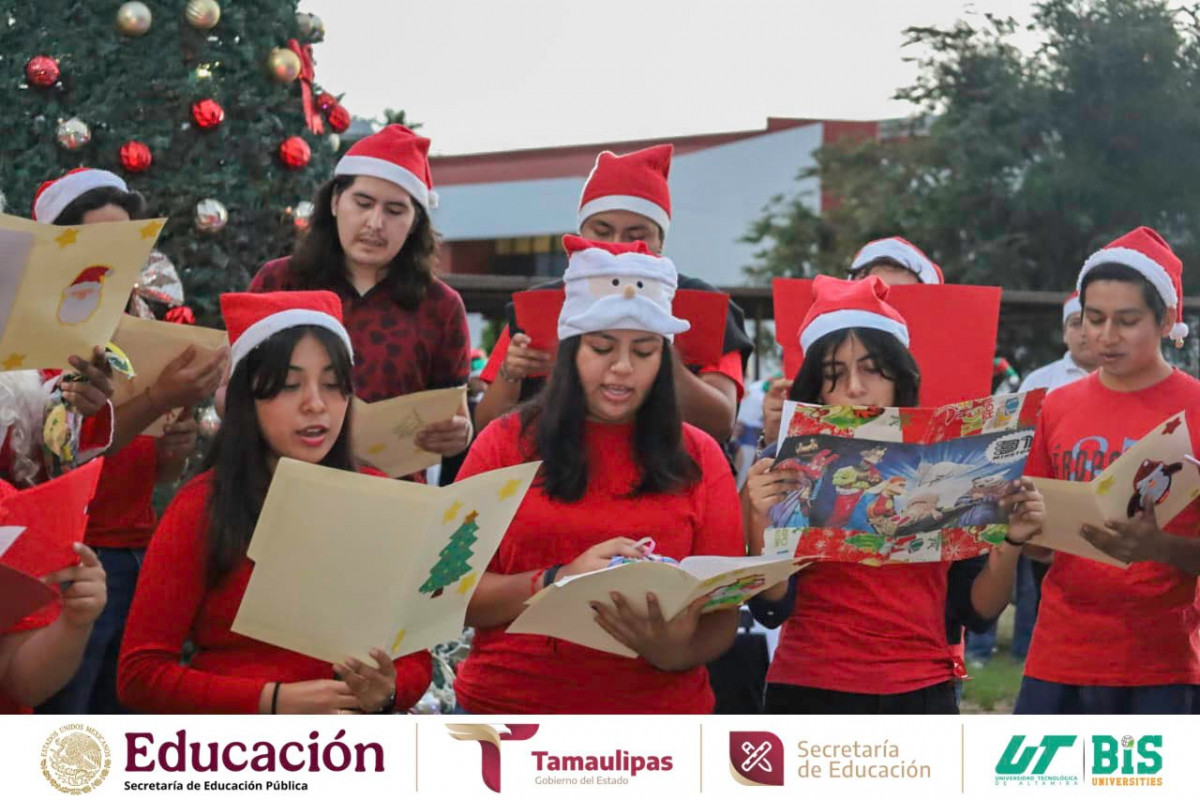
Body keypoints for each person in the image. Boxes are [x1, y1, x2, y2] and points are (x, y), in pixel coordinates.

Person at [453, 236, 744, 714]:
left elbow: (723, 613)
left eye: (645, 351)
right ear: (569, 350)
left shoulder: (700, 455)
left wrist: (674, 652)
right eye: (602, 347)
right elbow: (447, 591)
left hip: (658, 725)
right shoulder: (503, 443)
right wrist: (557, 579)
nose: (622, 368)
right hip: (508, 713)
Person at [118, 291, 431, 713]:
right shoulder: (203, 507)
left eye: (333, 385)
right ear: (247, 398)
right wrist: (272, 700)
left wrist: (387, 693)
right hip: (240, 748)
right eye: (288, 385)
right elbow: (139, 675)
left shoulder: (381, 499)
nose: (316, 405)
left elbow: (415, 660)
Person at [743, 275, 1044, 714]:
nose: (854, 387)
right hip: (809, 686)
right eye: (834, 374)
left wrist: (1011, 541)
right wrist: (759, 519)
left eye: (871, 369)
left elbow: (978, 613)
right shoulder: (784, 466)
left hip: (922, 691)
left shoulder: (947, 459)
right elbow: (771, 607)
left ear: (899, 377)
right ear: (817, 387)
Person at [29, 168, 225, 715]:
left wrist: (172, 451)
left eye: (126, 245)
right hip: (75, 557)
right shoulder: (43, 333)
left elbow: (154, 470)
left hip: (139, 552)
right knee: (64, 721)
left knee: (122, 713)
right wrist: (161, 397)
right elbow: (68, 449)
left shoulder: (139, 325)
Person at [1015, 227, 1200, 714]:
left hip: (1163, 663)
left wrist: (1160, 547)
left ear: (1167, 320)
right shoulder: (1056, 406)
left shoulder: (1195, 408)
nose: (1105, 335)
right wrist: (1024, 529)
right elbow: (1037, 544)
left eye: (1127, 320)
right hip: (1059, 654)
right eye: (1093, 319)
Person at [474, 145, 754, 443]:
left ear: (661, 242)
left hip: (671, 465)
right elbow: (486, 430)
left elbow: (720, 424)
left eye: (637, 235)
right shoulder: (536, 307)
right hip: (560, 464)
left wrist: (660, 354)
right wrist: (510, 373)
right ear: (580, 233)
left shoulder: (704, 306)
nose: (617, 245)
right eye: (602, 231)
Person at [249, 125, 472, 471]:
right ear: (335, 201)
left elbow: (457, 412)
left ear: (415, 222)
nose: (375, 223)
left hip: (388, 490)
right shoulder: (279, 281)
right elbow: (229, 392)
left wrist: (459, 433)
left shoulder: (441, 306)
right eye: (363, 203)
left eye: (395, 211)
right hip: (279, 480)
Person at [966, 291, 1099, 666]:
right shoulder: (1042, 380)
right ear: (1065, 331)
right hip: (1030, 494)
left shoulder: (1123, 381)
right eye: (1075, 323)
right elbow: (1016, 434)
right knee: (1013, 568)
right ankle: (984, 649)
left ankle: (1029, 651)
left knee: (1050, 582)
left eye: (1090, 322)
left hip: (1086, 498)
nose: (1084, 333)